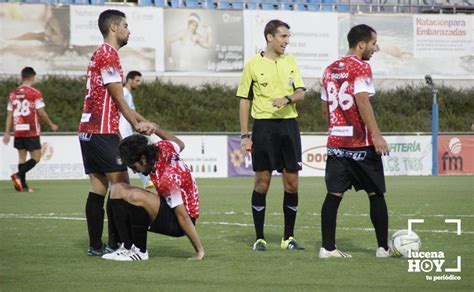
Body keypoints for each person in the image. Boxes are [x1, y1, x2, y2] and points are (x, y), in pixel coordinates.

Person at [78, 9, 157, 257]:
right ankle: (119, 245)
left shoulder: (98, 54)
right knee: (122, 187)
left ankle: (96, 245)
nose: (128, 30)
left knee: (98, 188)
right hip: (102, 131)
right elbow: (118, 97)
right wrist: (136, 124)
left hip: (89, 131)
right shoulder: (109, 55)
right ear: (113, 27)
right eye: (125, 25)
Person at [319, 24, 391, 258]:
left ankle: (327, 248)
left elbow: (325, 106)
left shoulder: (329, 69)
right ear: (361, 44)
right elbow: (362, 101)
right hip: (361, 144)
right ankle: (382, 248)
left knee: (333, 195)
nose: (375, 48)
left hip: (337, 142)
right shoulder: (361, 67)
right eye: (373, 43)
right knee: (375, 194)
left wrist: (335, 129)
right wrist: (377, 135)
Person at [236, 19, 306, 251]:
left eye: (288, 37)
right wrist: (245, 135)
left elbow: (300, 93)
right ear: (270, 37)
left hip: (289, 126)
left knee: (292, 184)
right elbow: (245, 101)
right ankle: (259, 238)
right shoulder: (253, 65)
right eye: (283, 36)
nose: (287, 41)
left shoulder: (291, 61)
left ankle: (289, 238)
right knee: (262, 183)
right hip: (264, 128)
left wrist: (287, 99)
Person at [102, 128, 204, 261]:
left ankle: (140, 251)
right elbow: (180, 144)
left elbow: (183, 216)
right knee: (116, 189)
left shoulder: (168, 178)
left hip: (179, 223)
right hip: (170, 210)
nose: (134, 171)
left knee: (135, 197)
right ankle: (126, 247)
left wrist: (199, 250)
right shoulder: (162, 147)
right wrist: (155, 127)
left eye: (134, 167)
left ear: (143, 159)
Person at [3, 67, 58, 192]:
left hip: (18, 130)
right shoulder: (34, 93)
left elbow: (9, 114)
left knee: (22, 158)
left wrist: (7, 133)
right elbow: (41, 112)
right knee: (36, 158)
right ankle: (17, 175)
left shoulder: (13, 94)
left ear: (22, 77)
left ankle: (22, 186)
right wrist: (51, 125)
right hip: (31, 130)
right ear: (32, 77)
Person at [119, 70, 153, 190]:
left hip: (126, 129)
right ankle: (145, 180)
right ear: (130, 80)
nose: (138, 83)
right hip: (122, 129)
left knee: (132, 155)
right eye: (137, 80)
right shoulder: (124, 92)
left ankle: (145, 180)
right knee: (132, 155)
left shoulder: (127, 93)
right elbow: (130, 111)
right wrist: (145, 122)